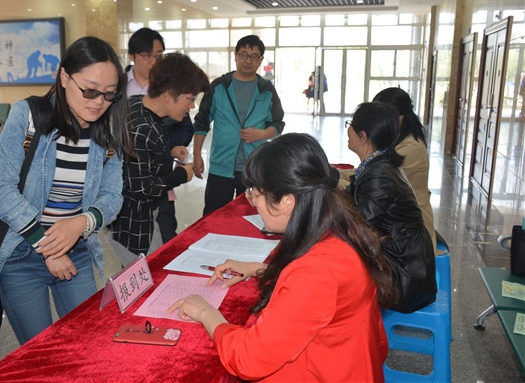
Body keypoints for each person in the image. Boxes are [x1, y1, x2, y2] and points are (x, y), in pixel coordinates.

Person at [168, 133, 396, 382]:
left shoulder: (317, 272)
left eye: (256, 194)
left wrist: (205, 313)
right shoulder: (336, 229)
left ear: (287, 202)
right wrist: (260, 269)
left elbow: (249, 358)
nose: (254, 203)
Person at [0, 36, 133, 344]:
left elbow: (112, 196)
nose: (99, 102)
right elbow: (1, 190)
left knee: (83, 343)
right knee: (39, 351)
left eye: (109, 94)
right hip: (21, 253)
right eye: (90, 90)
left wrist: (83, 222)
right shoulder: (27, 116)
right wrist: (48, 246)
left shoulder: (108, 130)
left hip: (76, 250)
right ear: (65, 77)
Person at [110, 53, 209, 257]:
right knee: (148, 273)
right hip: (134, 228)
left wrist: (169, 150)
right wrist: (181, 175)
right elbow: (141, 188)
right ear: (168, 95)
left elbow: (143, 156)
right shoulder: (140, 127)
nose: (192, 106)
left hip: (145, 217)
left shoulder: (140, 107)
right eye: (190, 99)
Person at [345, 102, 437, 313]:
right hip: (402, 262)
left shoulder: (379, 175)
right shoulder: (380, 163)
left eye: (350, 124)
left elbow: (359, 228)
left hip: (402, 276)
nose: (347, 130)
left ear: (363, 136)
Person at [339, 87, 439, 254]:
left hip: (403, 245)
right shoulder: (385, 154)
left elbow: (362, 226)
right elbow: (361, 179)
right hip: (397, 234)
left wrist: (333, 179)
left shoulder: (407, 151)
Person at [193, 34, 285, 216]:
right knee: (214, 218)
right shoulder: (219, 86)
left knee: (252, 219)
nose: (248, 60)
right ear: (235, 55)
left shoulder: (266, 90)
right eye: (243, 54)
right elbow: (202, 121)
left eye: (253, 56)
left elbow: (277, 123)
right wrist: (196, 154)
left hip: (254, 169)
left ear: (261, 60)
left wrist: (262, 134)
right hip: (221, 166)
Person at [125, 27, 194, 244]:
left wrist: (171, 148)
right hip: (132, 187)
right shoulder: (118, 88)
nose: (155, 62)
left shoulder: (169, 85)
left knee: (166, 235)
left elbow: (185, 126)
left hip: (161, 179)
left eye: (159, 55)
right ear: (132, 56)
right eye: (148, 56)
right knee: (138, 246)